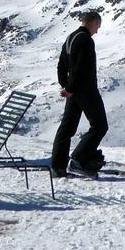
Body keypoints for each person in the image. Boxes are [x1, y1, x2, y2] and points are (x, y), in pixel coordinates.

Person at [51, 11, 108, 179]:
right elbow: (82, 68)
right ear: (93, 22)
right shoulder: (86, 40)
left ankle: (57, 167)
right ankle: (78, 159)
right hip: (86, 90)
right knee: (100, 125)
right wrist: (71, 87)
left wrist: (66, 86)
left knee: (67, 128)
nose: (97, 30)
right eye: (98, 26)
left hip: (73, 91)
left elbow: (61, 65)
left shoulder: (70, 38)